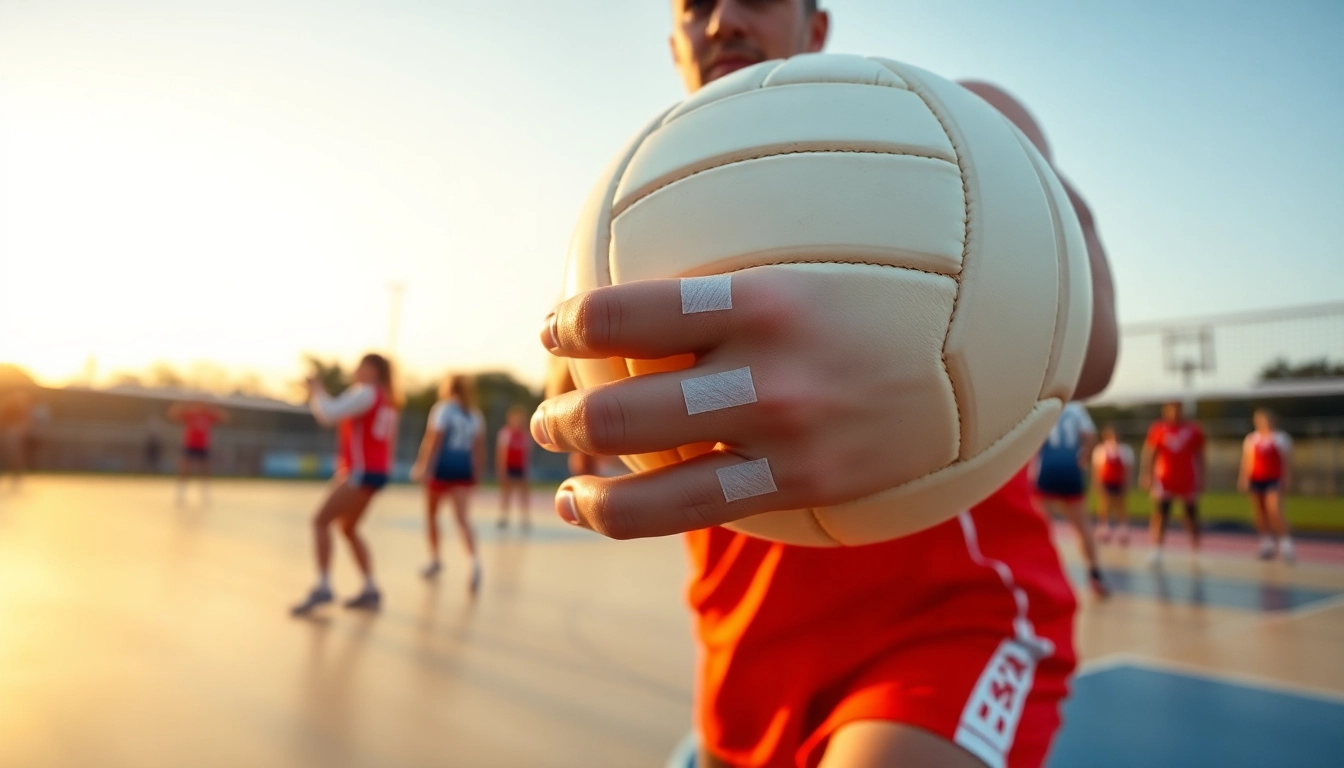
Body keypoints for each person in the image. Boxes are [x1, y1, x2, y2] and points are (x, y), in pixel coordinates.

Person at [533, 2, 1120, 766]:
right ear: (675, 39)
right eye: (696, 6)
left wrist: (907, 336)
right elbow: (591, 421)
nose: (723, 22)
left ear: (816, 29)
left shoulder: (950, 129)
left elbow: (1093, 346)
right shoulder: (626, 222)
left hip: (943, 626)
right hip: (742, 655)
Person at [291, 353, 401, 616]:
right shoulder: (388, 399)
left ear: (374, 370)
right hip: (376, 472)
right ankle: (371, 588)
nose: (357, 368)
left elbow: (328, 414)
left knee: (320, 521)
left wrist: (316, 389)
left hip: (360, 472)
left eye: (363, 364)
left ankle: (324, 586)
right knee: (348, 528)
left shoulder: (366, 393)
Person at [410, 374, 485, 592]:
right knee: (462, 519)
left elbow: (434, 440)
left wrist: (423, 466)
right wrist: (477, 473)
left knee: (432, 515)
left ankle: (435, 559)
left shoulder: (443, 409)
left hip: (441, 469)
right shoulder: (475, 414)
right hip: (463, 470)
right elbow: (479, 448)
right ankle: (473, 560)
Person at [1032, 402, 1107, 597]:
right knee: (1082, 526)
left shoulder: (1041, 404)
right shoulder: (1075, 409)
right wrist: (1082, 459)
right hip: (1070, 470)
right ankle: (1094, 574)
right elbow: (1090, 438)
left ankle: (1042, 573)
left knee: (1042, 527)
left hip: (1046, 471)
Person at [1140, 401, 1206, 566]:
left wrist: (1202, 477)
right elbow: (1150, 453)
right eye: (1172, 409)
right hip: (1164, 478)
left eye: (1178, 409)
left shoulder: (1193, 430)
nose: (1175, 413)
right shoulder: (1159, 429)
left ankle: (1196, 551)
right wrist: (1147, 475)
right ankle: (1156, 550)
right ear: (1166, 411)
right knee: (1161, 513)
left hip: (1186, 477)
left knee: (1191, 515)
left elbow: (1201, 455)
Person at [1239, 409, 1294, 562]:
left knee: (1274, 510)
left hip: (1273, 479)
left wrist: (1286, 479)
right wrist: (1244, 478)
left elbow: (1287, 462)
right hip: (1257, 479)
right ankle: (1266, 544)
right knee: (1260, 512)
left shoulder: (1281, 438)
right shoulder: (1252, 439)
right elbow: (1247, 460)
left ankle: (1286, 544)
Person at [1091, 426, 1134, 545]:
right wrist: (1096, 482)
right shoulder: (1101, 449)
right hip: (1106, 480)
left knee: (1120, 505)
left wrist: (1127, 482)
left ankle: (1122, 529)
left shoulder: (1124, 449)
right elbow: (1097, 468)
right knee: (1104, 504)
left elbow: (1128, 468)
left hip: (1119, 481)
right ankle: (1103, 527)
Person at [496, 405, 533, 530]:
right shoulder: (506, 433)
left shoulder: (525, 435)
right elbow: (502, 452)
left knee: (523, 494)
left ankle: (524, 519)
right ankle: (503, 517)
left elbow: (527, 454)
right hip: (509, 466)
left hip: (520, 468)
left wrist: (526, 470)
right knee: (506, 493)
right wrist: (502, 469)